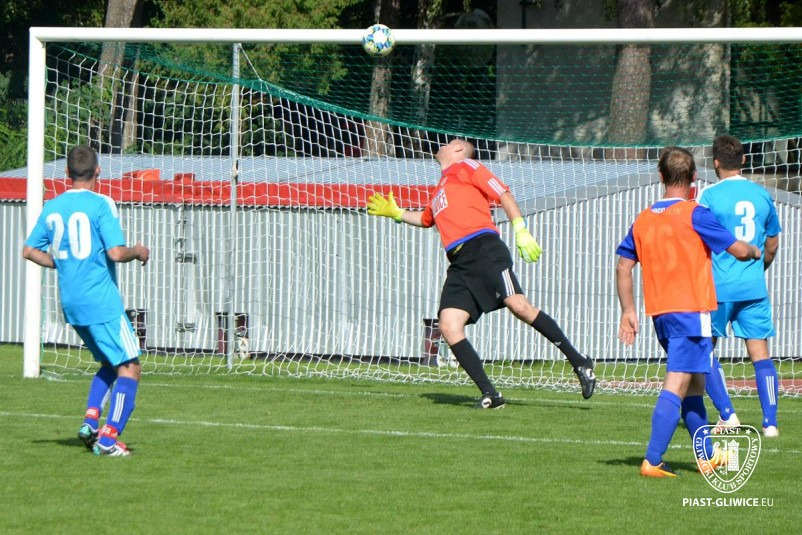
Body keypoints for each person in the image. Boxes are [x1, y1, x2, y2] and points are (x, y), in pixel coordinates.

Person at [367, 139, 596, 408]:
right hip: (460, 262)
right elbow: (426, 219)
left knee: (519, 306)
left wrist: (521, 230)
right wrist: (396, 213)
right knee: (449, 325)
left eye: (449, 143)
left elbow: (503, 193)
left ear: (459, 150)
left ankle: (580, 362)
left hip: (484, 248)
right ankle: (491, 395)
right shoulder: (441, 187)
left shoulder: (467, 166)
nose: (442, 145)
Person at [615, 146, 761, 477]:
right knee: (679, 381)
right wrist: (755, 250)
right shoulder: (695, 213)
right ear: (694, 177)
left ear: (661, 176)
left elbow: (624, 266)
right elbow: (738, 250)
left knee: (695, 382)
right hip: (691, 312)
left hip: (661, 314)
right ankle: (653, 460)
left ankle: (707, 455)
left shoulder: (643, 218)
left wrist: (628, 310)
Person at [23, 145, 149, 456]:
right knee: (130, 367)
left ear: (67, 173)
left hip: (72, 303)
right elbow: (116, 253)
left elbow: (29, 250)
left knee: (109, 363)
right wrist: (138, 251)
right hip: (101, 301)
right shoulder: (101, 204)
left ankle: (91, 422)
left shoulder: (52, 208)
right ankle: (108, 440)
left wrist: (61, 264)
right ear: (98, 171)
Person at [699, 135, 782, 438]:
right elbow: (772, 245)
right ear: (744, 160)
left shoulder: (708, 196)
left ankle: (728, 415)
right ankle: (770, 423)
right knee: (760, 353)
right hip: (753, 287)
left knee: (704, 351)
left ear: (715, 163)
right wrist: (758, 270)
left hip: (718, 287)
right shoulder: (761, 194)